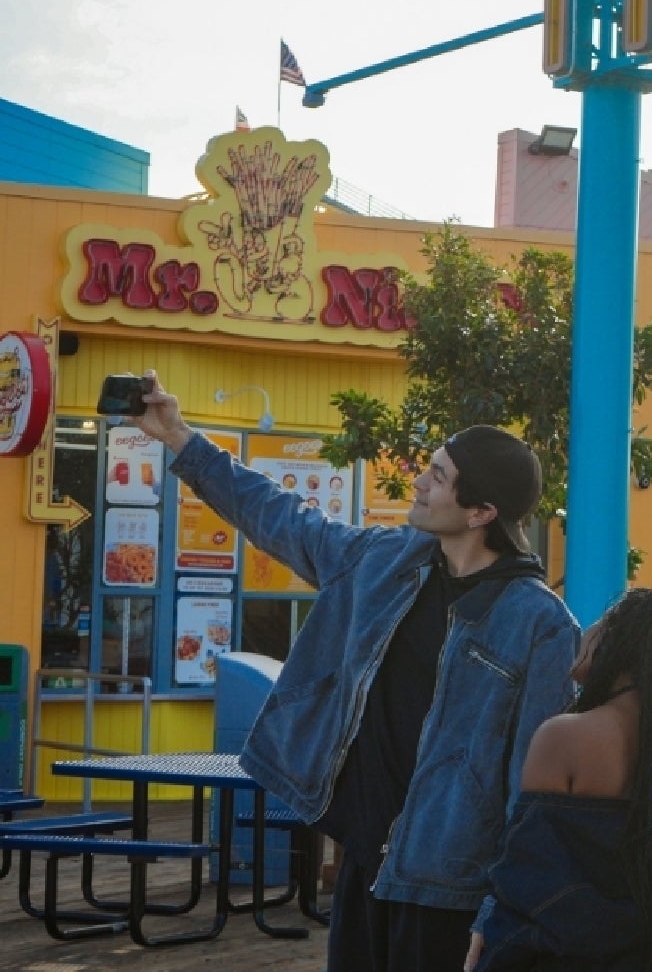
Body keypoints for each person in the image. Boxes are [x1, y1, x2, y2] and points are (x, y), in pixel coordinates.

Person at [133, 372, 579, 972]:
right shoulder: (381, 563)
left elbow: (535, 784)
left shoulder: (540, 624)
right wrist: (180, 438)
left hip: (449, 887)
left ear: (482, 512)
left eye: (439, 476)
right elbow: (280, 517)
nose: (420, 482)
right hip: (366, 858)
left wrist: (504, 909)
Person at [468, 587, 652, 972]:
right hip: (650, 945)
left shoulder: (565, 735)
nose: (588, 631)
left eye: (603, 623)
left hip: (563, 950)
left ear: (622, 643)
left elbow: (526, 868)